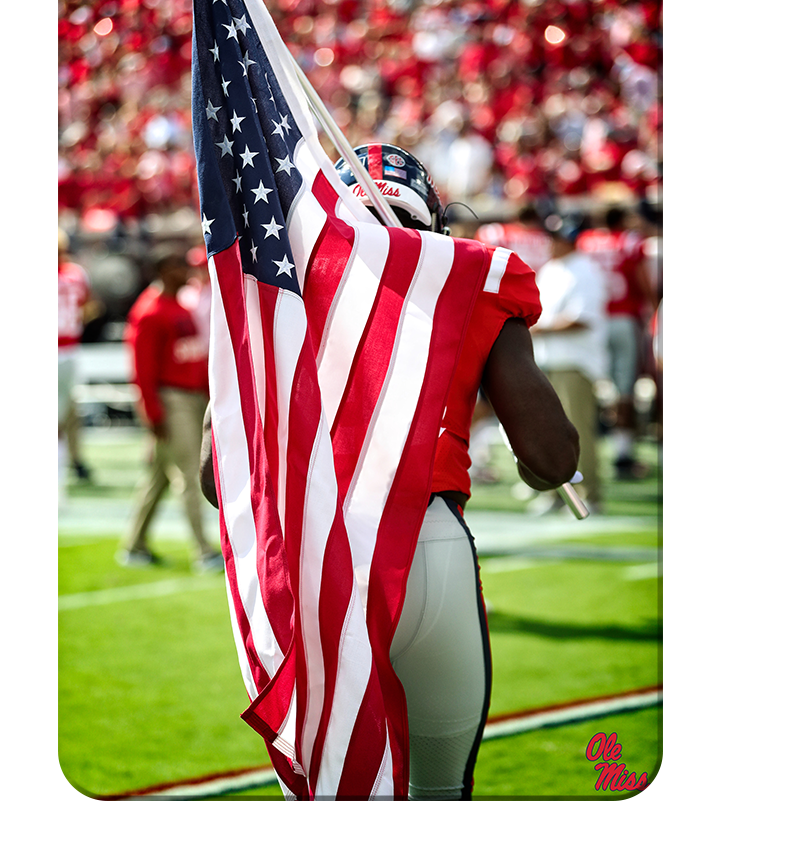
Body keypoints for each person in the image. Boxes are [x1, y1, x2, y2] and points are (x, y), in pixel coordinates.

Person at [200, 144, 579, 799]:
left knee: (332, 794)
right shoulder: (476, 275)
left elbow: (217, 478)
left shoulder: (282, 285)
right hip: (429, 548)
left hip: (317, 554)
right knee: (440, 794)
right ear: (434, 219)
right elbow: (552, 462)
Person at [117, 245, 222, 572]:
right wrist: (152, 413)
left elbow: (191, 355)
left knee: (157, 479)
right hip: (171, 400)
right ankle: (204, 551)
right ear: (163, 270)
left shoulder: (177, 305)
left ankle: (134, 545)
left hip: (190, 398)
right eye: (177, 265)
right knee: (189, 474)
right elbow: (141, 370)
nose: (185, 271)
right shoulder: (149, 311)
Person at [529, 215, 609, 514]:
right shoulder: (551, 269)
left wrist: (541, 329)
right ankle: (555, 492)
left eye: (556, 238)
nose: (550, 243)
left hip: (575, 362)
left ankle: (589, 494)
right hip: (547, 359)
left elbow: (582, 318)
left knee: (577, 430)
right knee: (545, 431)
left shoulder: (585, 270)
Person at [576, 205, 654, 478]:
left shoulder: (586, 241)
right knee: (624, 388)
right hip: (623, 318)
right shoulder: (630, 241)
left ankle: (591, 451)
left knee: (594, 385)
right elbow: (643, 280)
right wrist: (652, 308)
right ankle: (622, 454)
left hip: (594, 321)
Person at [58, 228, 98, 489]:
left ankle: (71, 460)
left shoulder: (75, 274)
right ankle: (74, 460)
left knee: (66, 412)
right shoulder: (76, 274)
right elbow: (90, 307)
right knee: (67, 411)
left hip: (66, 348)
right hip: (70, 349)